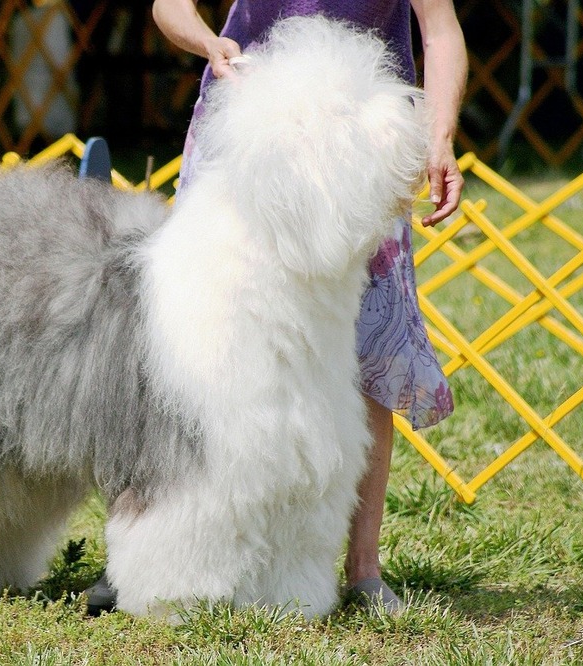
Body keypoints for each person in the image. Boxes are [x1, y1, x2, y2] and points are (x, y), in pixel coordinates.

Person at [85, 0, 467, 615]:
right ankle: (154, 551)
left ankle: (360, 570)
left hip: (358, 151)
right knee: (189, 360)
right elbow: (168, 6)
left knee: (367, 358)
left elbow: (441, 32)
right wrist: (209, 43)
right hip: (245, 143)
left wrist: (439, 133)